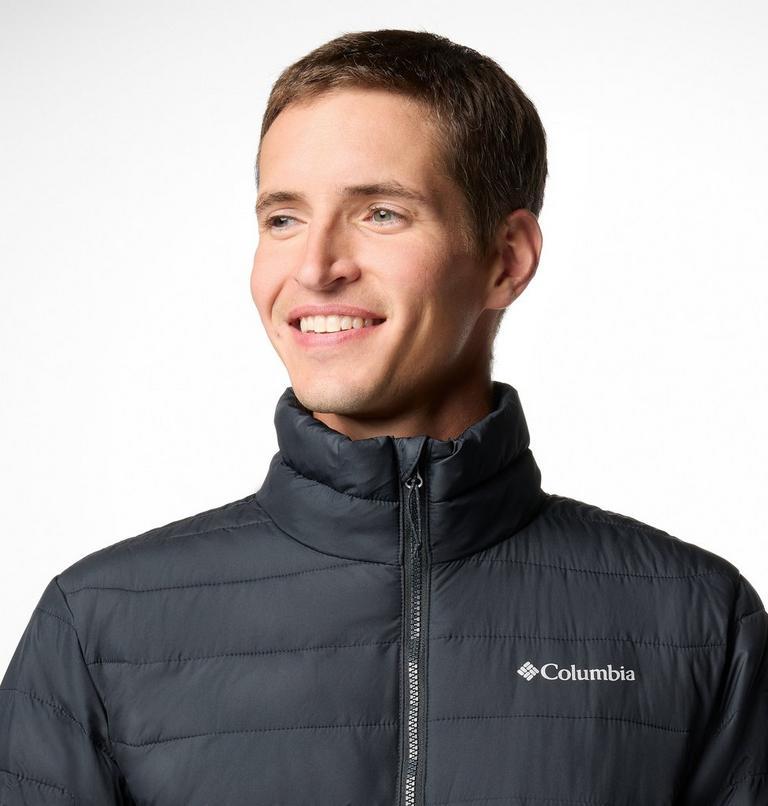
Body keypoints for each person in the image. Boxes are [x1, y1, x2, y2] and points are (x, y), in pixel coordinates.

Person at [1, 28, 765, 806]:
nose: (315, 268)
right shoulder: (99, 627)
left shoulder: (697, 622)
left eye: (381, 213)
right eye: (283, 219)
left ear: (506, 259)